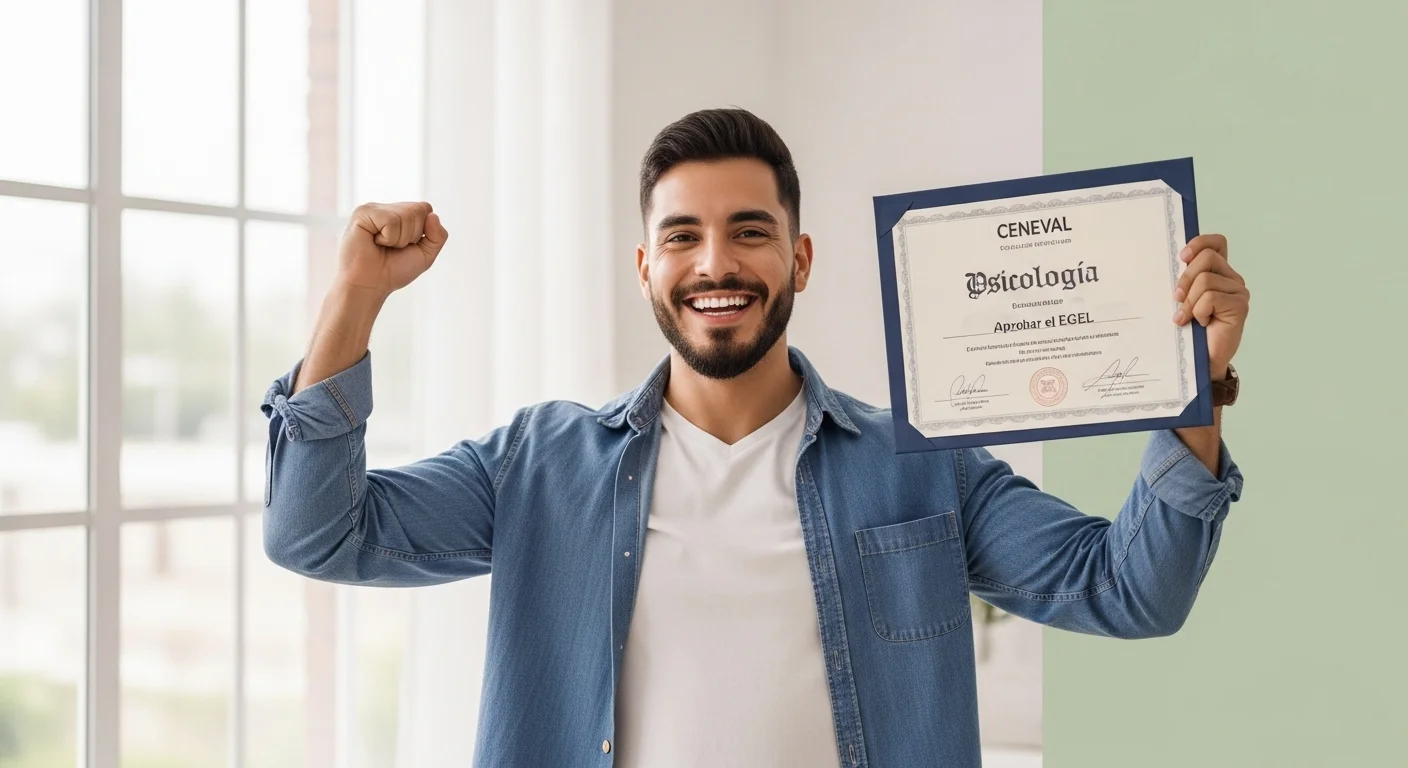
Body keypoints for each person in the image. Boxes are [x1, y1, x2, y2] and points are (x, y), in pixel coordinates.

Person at [260, 108, 1248, 767]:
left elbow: (1130, 593)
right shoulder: (538, 464)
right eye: (683, 235)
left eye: (748, 230)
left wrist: (1186, 387)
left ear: (800, 258)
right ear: (645, 266)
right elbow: (317, 534)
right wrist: (355, 297)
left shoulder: (924, 462)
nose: (715, 261)